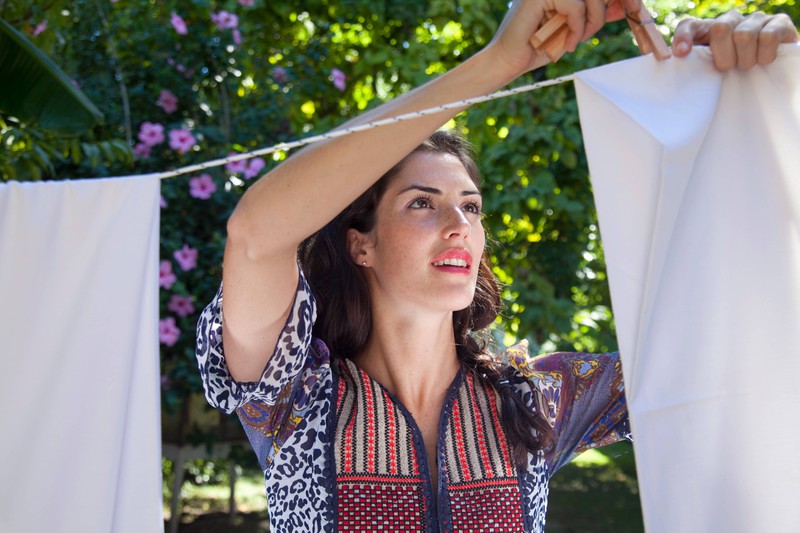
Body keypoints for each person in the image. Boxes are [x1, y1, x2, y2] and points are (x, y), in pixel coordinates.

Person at [195, 1, 799, 531]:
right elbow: (256, 234)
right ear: (361, 245)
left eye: (471, 205)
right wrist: (500, 62)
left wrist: (757, 98)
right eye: (421, 204)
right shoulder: (295, 397)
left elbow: (739, 341)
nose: (458, 222)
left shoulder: (539, 402)